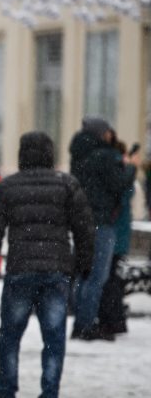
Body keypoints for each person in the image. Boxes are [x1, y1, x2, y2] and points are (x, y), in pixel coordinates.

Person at [0, 132, 94, 398]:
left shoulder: (8, 187)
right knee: (54, 338)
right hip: (56, 271)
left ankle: (6, 394)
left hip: (21, 268)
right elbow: (84, 228)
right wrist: (83, 264)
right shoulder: (67, 185)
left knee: (10, 335)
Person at [68, 116, 137, 340]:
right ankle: (85, 324)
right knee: (98, 276)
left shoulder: (79, 153)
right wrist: (131, 169)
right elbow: (118, 183)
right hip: (101, 221)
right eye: (108, 131)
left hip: (81, 220)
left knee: (84, 273)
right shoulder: (103, 156)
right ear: (101, 133)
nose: (111, 135)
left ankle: (81, 319)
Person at [97, 137, 136, 335]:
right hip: (119, 233)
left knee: (110, 278)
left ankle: (113, 319)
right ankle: (115, 318)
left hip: (115, 233)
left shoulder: (120, 178)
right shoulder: (123, 176)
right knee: (112, 278)